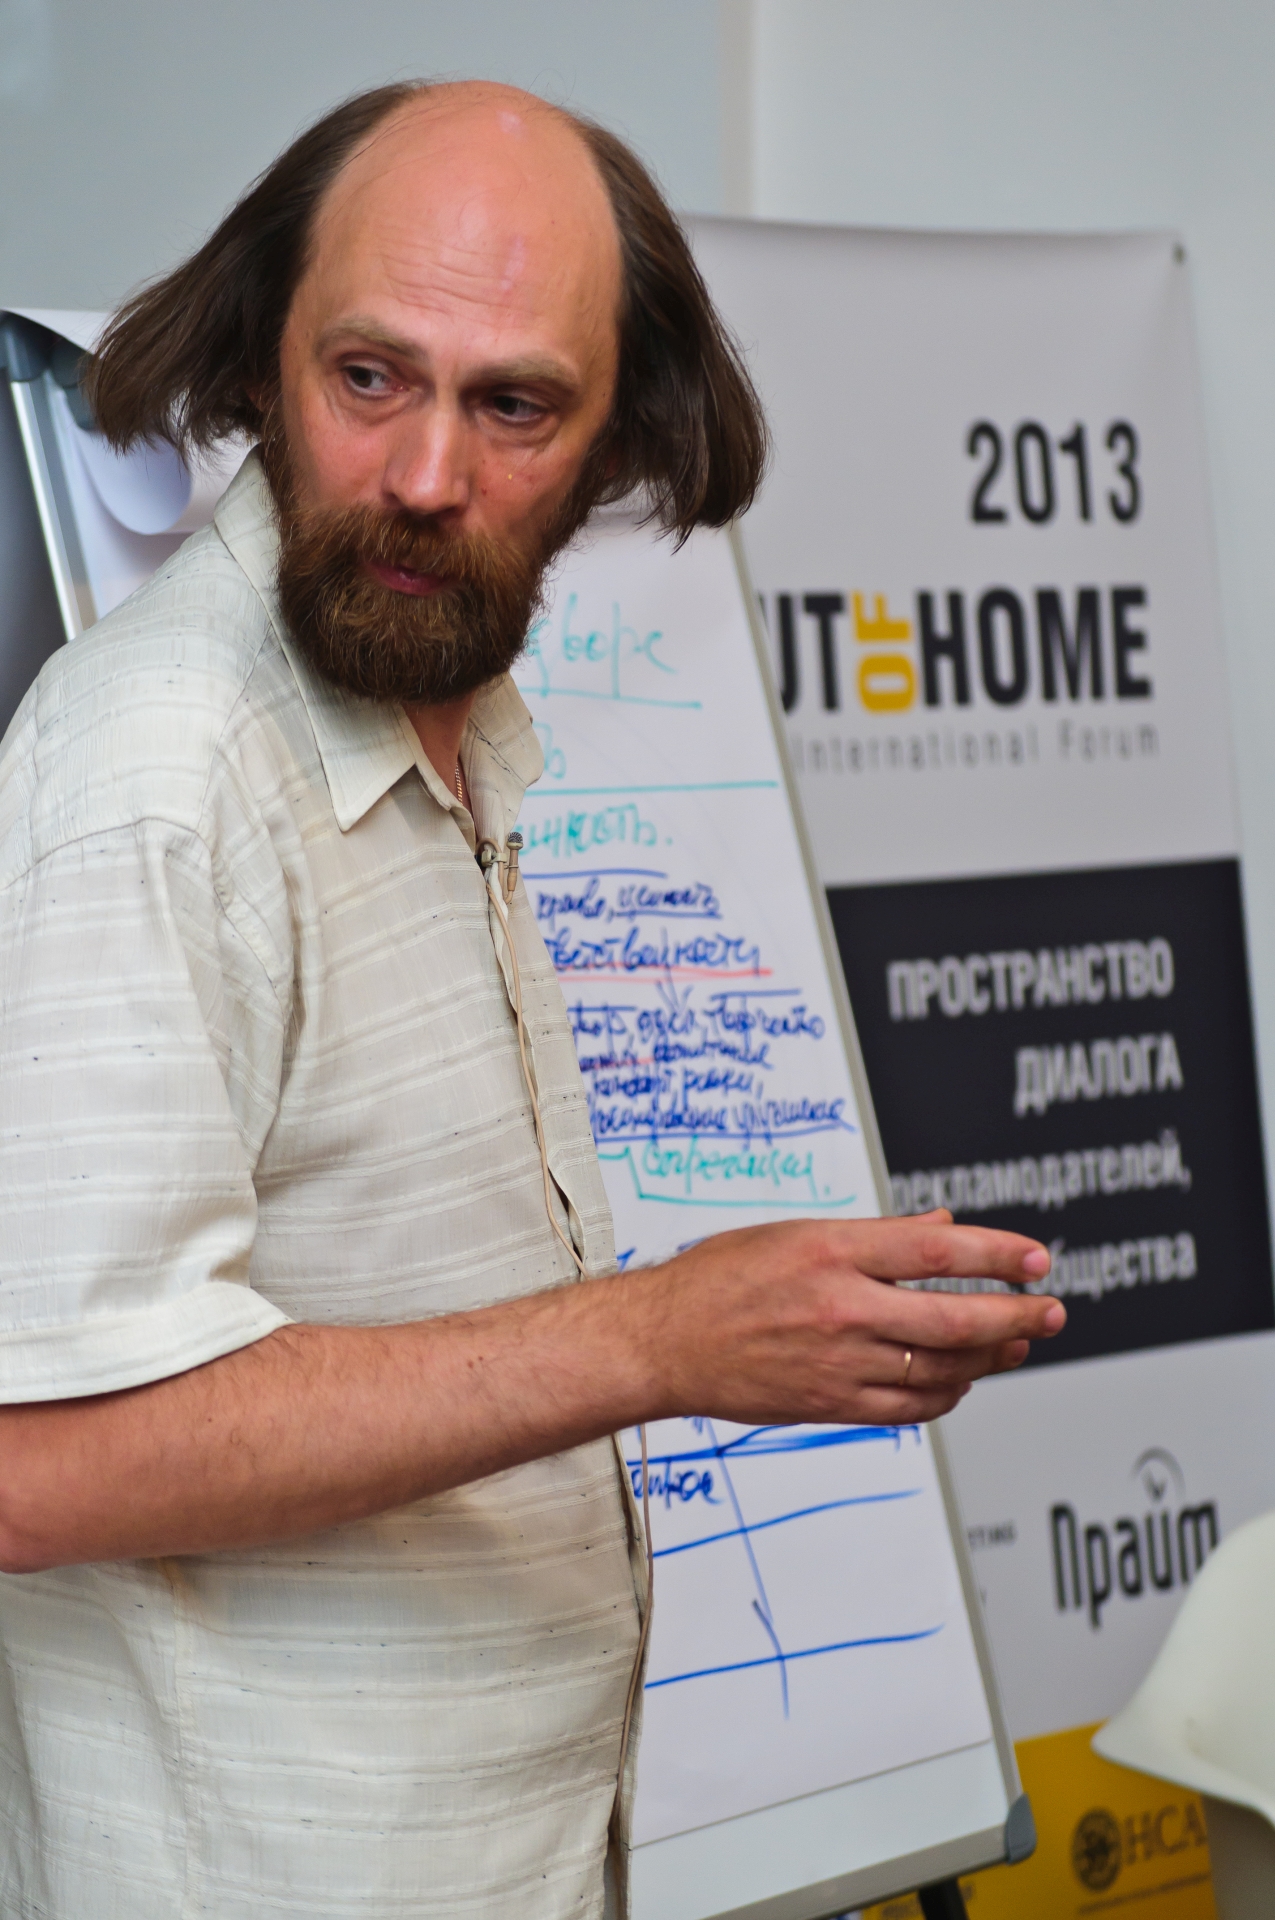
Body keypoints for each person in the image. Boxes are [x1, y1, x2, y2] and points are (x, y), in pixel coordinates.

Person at [0, 80, 1064, 1920]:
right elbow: (34, 1460)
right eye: (369, 378)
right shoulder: (161, 769)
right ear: (259, 355)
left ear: (620, 435)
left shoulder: (446, 719)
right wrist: (656, 1342)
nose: (427, 476)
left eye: (513, 408)